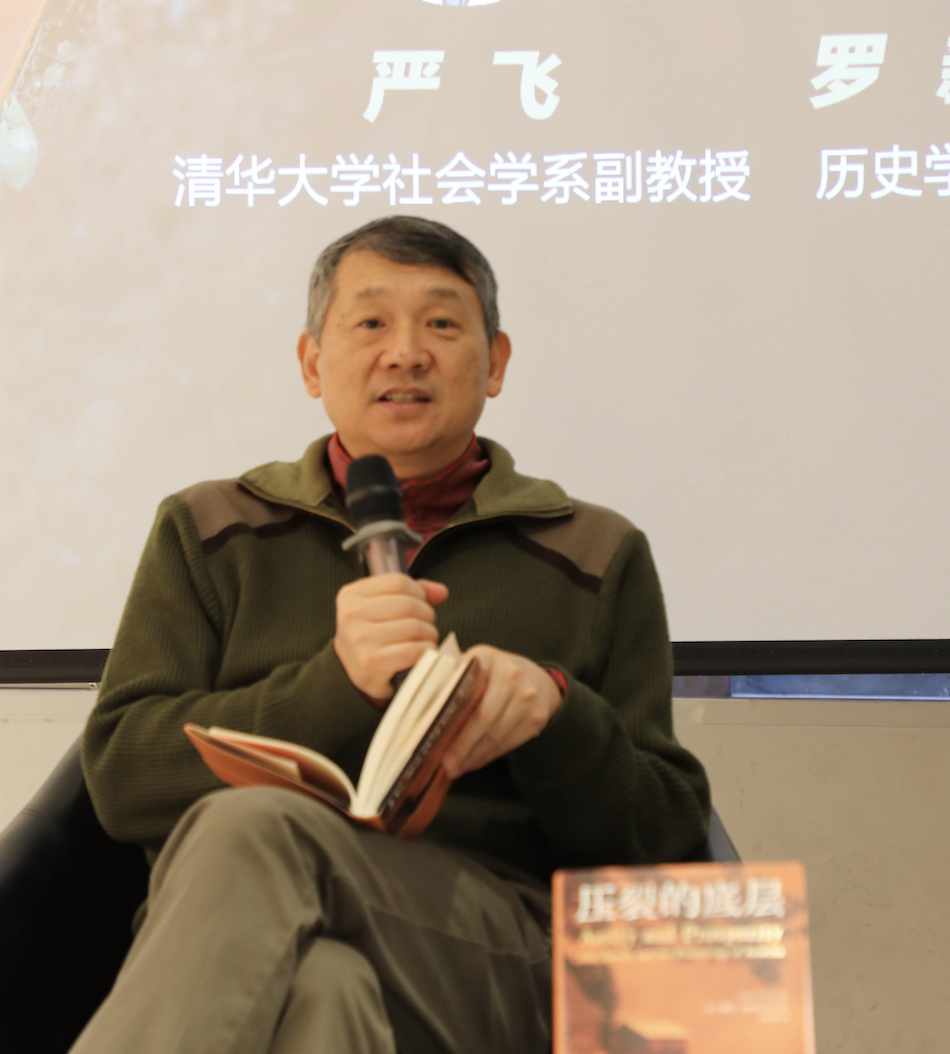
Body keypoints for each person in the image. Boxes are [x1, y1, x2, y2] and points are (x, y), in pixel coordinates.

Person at [71, 216, 710, 1054]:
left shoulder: (595, 550)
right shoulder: (211, 528)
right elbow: (120, 778)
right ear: (312, 363)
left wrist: (559, 715)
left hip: (496, 960)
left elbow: (666, 835)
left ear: (497, 362)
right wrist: (332, 687)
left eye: (441, 323)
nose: (405, 353)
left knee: (251, 830)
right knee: (323, 989)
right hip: (244, 932)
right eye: (370, 322)